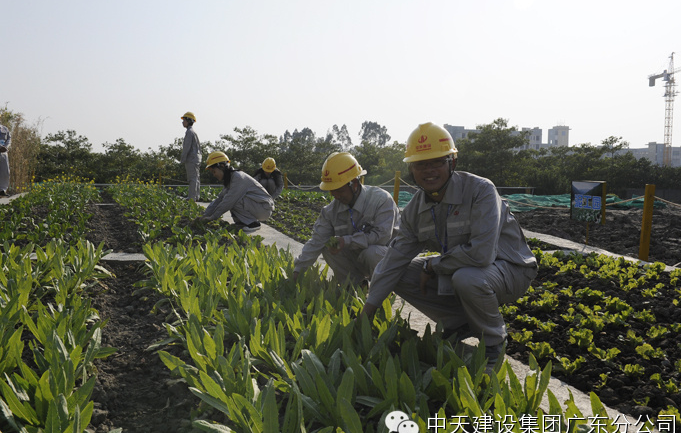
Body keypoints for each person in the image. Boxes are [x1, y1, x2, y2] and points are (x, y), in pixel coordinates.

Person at [360, 122, 538, 365]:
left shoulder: (480, 190)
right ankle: (460, 323)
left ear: (452, 163)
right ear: (412, 169)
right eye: (420, 164)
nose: (429, 170)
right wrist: (366, 314)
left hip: (510, 269)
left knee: (467, 278)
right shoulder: (415, 209)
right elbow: (393, 261)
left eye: (437, 162)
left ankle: (493, 343)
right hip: (460, 268)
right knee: (395, 271)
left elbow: (482, 255)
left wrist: (433, 265)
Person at [293, 152, 400, 287]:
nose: (336, 196)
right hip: (358, 257)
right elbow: (316, 241)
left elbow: (382, 237)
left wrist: (347, 241)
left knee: (371, 253)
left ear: (354, 184)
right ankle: (355, 285)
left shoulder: (381, 200)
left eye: (339, 190)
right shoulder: (330, 211)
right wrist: (298, 271)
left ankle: (385, 288)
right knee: (328, 245)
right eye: (332, 191)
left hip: (387, 257)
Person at [194, 151, 273, 233]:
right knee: (228, 198)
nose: (214, 175)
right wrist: (204, 215)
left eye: (214, 171)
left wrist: (213, 217)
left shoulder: (238, 178)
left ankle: (253, 224)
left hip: (264, 208)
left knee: (232, 200)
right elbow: (219, 199)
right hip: (258, 206)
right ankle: (243, 222)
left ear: (222, 166)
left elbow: (228, 201)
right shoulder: (230, 179)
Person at [180, 112, 201, 201]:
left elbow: (186, 147)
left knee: (192, 178)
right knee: (196, 178)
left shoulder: (189, 132)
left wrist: (182, 159)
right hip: (196, 158)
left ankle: (192, 197)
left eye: (184, 120)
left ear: (188, 121)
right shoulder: (193, 132)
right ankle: (196, 196)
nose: (182, 122)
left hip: (191, 159)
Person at [0, 123, 10, 197]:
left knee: (5, 172)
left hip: (3, 152)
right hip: (1, 148)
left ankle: (2, 190)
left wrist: (6, 147)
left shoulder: (4, 128)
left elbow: (9, 138)